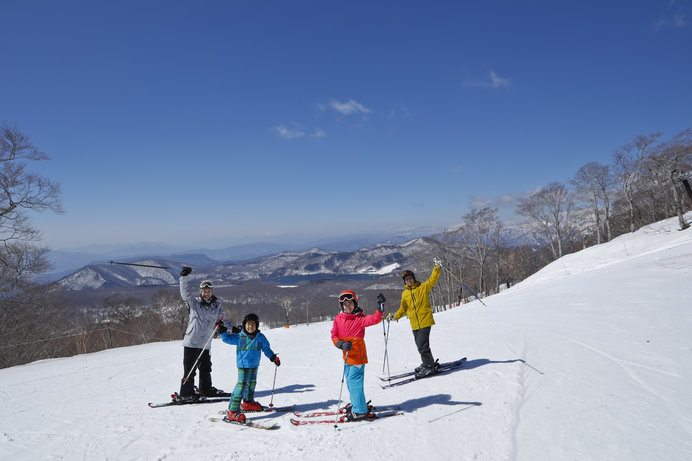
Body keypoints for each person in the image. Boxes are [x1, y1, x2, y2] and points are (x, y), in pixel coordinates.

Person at [331, 290, 383, 421]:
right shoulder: (338, 319)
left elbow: (375, 319)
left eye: (350, 303)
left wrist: (379, 307)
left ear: (355, 303)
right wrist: (341, 344)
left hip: (358, 356)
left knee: (355, 383)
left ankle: (360, 411)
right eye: (344, 304)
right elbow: (334, 335)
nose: (347, 306)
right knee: (349, 382)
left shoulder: (360, 319)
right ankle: (356, 403)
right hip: (347, 356)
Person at [220, 313, 281, 423]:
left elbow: (266, 349)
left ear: (257, 326)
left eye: (253, 324)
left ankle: (248, 403)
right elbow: (227, 339)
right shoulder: (240, 336)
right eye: (248, 324)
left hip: (254, 365)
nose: (250, 327)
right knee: (241, 385)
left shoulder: (260, 337)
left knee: (252, 384)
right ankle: (233, 411)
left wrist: (273, 357)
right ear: (244, 325)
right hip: (243, 366)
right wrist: (222, 331)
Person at [387, 258, 442, 379]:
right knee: (420, 345)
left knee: (422, 345)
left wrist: (436, 268)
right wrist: (394, 316)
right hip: (414, 324)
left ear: (413, 278)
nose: (409, 281)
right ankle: (428, 362)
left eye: (410, 278)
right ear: (405, 282)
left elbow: (432, 280)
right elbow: (403, 309)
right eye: (406, 280)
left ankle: (429, 367)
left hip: (425, 321)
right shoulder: (405, 294)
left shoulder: (422, 287)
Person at [178, 266, 227, 400]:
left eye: (209, 291)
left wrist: (231, 328)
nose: (206, 293)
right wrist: (184, 277)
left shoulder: (216, 305)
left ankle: (205, 389)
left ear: (212, 292)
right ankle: (186, 393)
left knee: (206, 368)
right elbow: (185, 294)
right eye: (204, 291)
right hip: (192, 342)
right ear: (201, 292)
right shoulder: (194, 304)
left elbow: (222, 318)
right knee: (190, 369)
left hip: (205, 343)